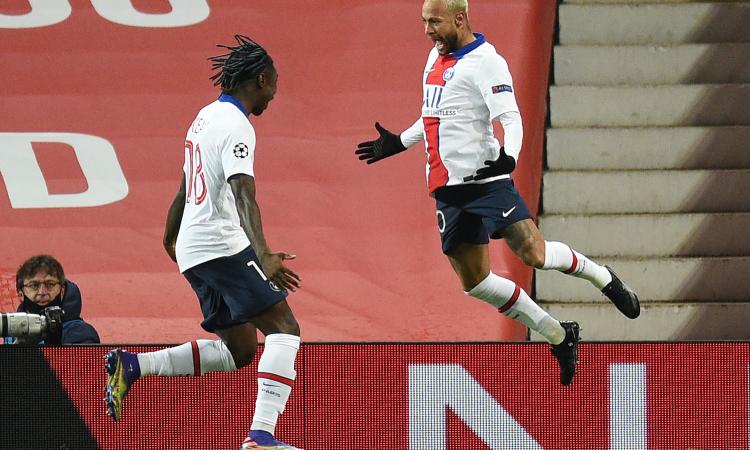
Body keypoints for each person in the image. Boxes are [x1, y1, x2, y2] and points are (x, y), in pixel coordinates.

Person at [355, 0, 640, 386]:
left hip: (487, 179)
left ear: (460, 18)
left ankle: (602, 278)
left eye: (434, 22)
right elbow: (434, 114)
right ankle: (559, 334)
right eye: (424, 22)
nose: (427, 31)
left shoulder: (488, 61)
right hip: (447, 188)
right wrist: (399, 143)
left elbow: (510, 117)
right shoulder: (433, 57)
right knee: (475, 282)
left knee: (534, 253)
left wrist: (510, 156)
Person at [103, 35, 303, 450]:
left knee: (241, 351)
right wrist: (263, 252)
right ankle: (262, 435)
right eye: (275, 84)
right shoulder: (236, 126)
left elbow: (183, 186)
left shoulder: (204, 117)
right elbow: (243, 192)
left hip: (194, 250)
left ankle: (134, 365)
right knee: (285, 329)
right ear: (262, 78)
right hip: (221, 245)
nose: (275, 94)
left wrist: (170, 234)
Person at [6, 254, 100, 345]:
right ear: (20, 294)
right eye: (34, 285)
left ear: (62, 291)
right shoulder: (11, 331)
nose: (42, 292)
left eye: (50, 284)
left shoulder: (80, 333)